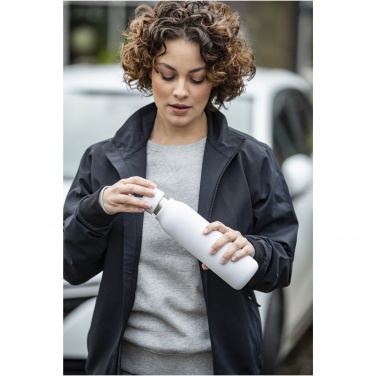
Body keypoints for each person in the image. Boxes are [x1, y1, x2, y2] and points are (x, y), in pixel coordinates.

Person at [63, 1, 298, 375]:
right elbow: (70, 265)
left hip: (218, 366)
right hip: (124, 366)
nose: (180, 92)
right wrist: (99, 208)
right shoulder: (104, 160)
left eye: (197, 77)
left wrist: (253, 247)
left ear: (218, 77)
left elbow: (281, 263)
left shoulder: (251, 160)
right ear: (147, 71)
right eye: (167, 75)